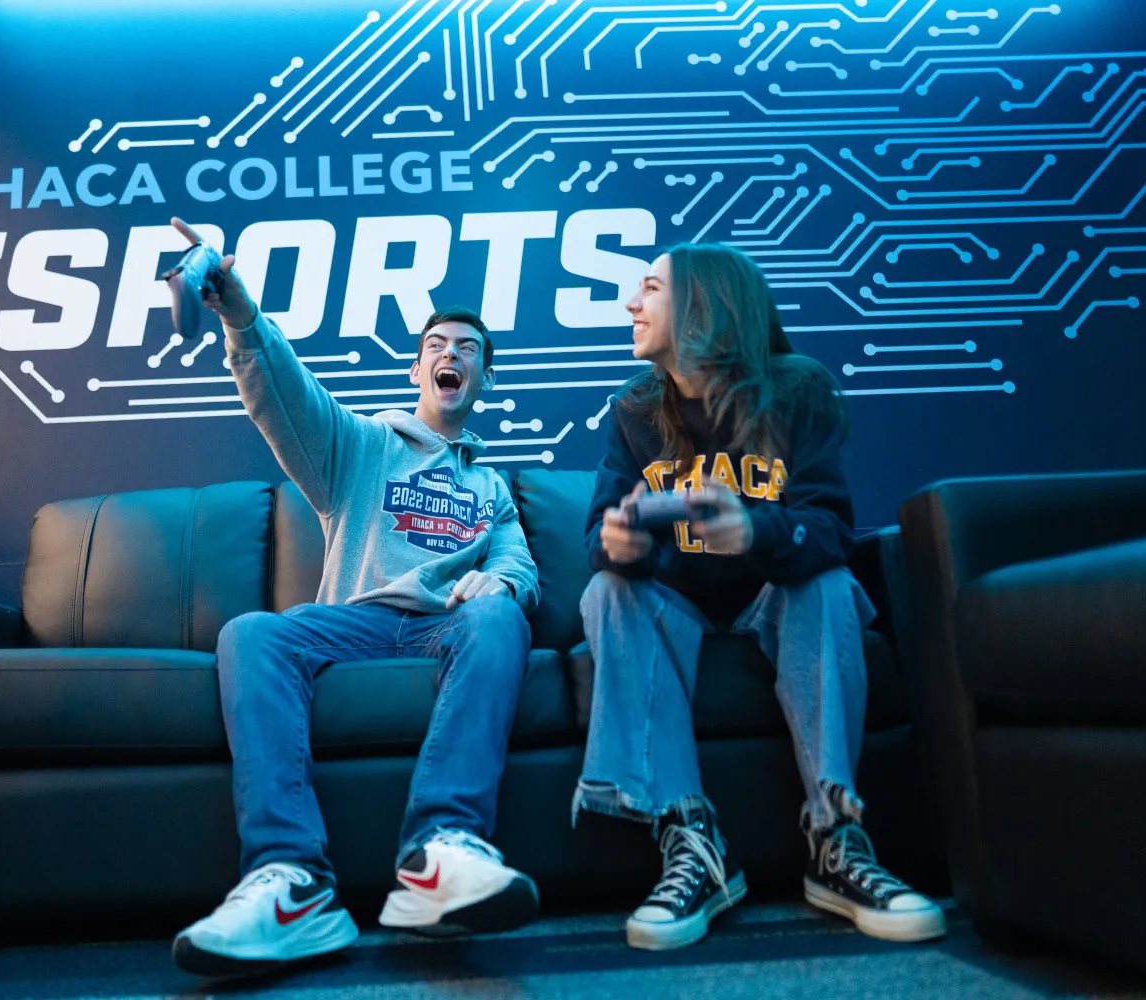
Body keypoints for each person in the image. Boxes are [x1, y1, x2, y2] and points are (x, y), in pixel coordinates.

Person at [167, 219, 542, 977]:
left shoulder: (492, 488)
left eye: (468, 348)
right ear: (417, 369)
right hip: (355, 624)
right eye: (437, 345)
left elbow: (519, 567)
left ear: (485, 378)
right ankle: (291, 879)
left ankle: (440, 851)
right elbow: (285, 395)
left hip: (447, 628)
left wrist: (498, 583)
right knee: (252, 633)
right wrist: (240, 315)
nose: (451, 354)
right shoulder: (361, 446)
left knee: (501, 615)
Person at [577, 242, 945, 952]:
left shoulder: (797, 391)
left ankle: (837, 839)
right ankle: (693, 841)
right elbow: (599, 531)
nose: (631, 302)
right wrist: (619, 543)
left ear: (703, 306)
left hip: (773, 596)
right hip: (677, 604)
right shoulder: (634, 409)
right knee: (606, 590)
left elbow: (830, 528)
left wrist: (751, 530)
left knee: (830, 583)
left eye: (651, 288)